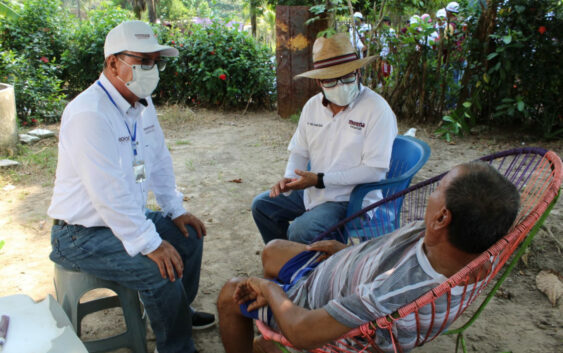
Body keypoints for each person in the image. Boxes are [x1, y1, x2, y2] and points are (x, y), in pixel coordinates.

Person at [219, 161, 520, 353]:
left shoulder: (394, 293)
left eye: (438, 188)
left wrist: (270, 291)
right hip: (338, 271)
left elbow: (303, 333)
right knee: (272, 249)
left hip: (312, 307)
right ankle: (269, 336)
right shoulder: (464, 250)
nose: (431, 192)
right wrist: (347, 253)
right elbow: (384, 255)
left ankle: (269, 328)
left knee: (230, 293)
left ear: (442, 218)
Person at [48, 20, 213, 353]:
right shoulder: (88, 113)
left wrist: (175, 209)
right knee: (158, 268)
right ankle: (177, 347)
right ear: (113, 64)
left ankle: (178, 310)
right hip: (80, 234)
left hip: (122, 217)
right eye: (145, 61)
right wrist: (149, 242)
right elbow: (107, 194)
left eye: (157, 62)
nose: (153, 69)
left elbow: (159, 159)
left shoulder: (142, 104)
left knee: (189, 236)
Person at [251, 33, 398, 245]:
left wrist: (320, 179)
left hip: (351, 198)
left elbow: (374, 170)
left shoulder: (377, 109)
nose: (341, 86)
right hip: (313, 190)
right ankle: (290, 263)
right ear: (319, 81)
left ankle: (305, 265)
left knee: (302, 230)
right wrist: (290, 179)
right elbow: (300, 151)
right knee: (262, 207)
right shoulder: (312, 107)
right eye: (331, 80)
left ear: (358, 73)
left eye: (347, 77)